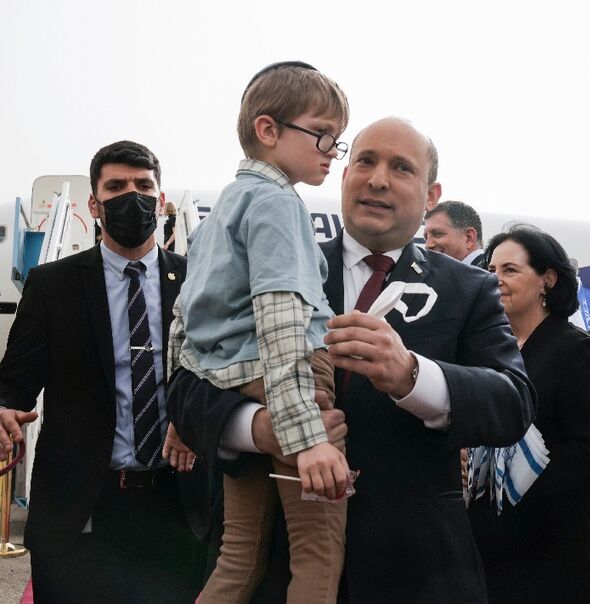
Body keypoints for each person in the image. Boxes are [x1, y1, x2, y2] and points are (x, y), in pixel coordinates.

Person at [168, 116, 536, 602]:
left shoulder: (467, 289)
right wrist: (260, 428)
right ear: (344, 177)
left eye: (401, 168)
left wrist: (412, 376)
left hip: (415, 572)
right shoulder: (274, 263)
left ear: (431, 195)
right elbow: (186, 386)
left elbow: (513, 403)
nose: (378, 179)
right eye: (364, 161)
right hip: (282, 569)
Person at [170, 61, 350, 603]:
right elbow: (282, 321)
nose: (330, 151)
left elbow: (182, 321)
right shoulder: (277, 204)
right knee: (317, 556)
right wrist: (310, 438)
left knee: (238, 555)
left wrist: (185, 418)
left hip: (225, 388)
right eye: (323, 135)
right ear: (269, 130)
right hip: (291, 379)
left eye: (336, 141)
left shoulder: (219, 211)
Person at [0, 140, 208, 602]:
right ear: (94, 204)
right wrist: (6, 408)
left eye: (143, 185)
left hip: (175, 506)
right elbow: (14, 382)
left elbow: (221, 375)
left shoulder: (198, 283)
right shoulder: (53, 285)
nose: (131, 196)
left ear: (162, 200)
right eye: (115, 187)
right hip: (82, 512)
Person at [468, 225, 590, 603]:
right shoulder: (489, 352)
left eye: (510, 270)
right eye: (491, 270)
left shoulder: (576, 350)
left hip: (551, 548)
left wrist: (516, 471)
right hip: (490, 541)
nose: (496, 280)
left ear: (547, 280)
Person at [423, 199, 486, 267]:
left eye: (437, 234)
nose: (428, 245)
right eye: (426, 238)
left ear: (469, 238)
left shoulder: (492, 275)